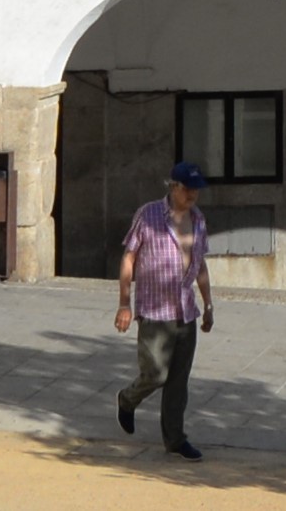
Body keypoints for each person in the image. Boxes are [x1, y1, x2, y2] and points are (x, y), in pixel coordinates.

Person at [116, 160, 214, 460]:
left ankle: (175, 439)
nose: (193, 195)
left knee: (178, 383)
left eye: (197, 190)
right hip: (155, 311)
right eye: (188, 189)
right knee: (156, 374)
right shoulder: (148, 216)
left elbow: (200, 265)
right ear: (174, 186)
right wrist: (124, 304)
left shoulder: (198, 220)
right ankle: (127, 399)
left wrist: (208, 303)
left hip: (185, 312)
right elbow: (129, 258)